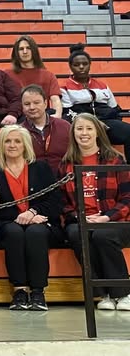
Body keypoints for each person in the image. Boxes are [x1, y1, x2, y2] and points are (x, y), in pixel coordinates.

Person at [59, 113, 130, 311]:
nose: (84, 133)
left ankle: (122, 293)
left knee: (102, 235)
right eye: (79, 128)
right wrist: (78, 217)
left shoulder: (115, 160)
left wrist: (107, 216)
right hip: (82, 220)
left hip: (115, 219)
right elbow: (63, 202)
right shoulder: (66, 164)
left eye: (89, 128)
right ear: (73, 133)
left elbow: (127, 198)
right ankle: (102, 294)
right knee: (76, 234)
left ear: (97, 132)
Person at [0, 125, 64, 312]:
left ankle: (38, 292)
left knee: (35, 232)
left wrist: (34, 213)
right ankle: (19, 291)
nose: (12, 145)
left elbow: (55, 201)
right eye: (8, 141)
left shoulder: (41, 168)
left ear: (25, 145)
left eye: (17, 141)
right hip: (9, 223)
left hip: (42, 221)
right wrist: (19, 217)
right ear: (1, 144)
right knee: (14, 233)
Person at [61, 44, 130, 155]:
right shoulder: (64, 87)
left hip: (106, 124)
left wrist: (113, 123)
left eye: (85, 64)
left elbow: (114, 109)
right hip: (81, 124)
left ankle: (126, 170)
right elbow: (67, 113)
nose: (81, 67)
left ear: (90, 65)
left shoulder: (102, 85)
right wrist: (95, 123)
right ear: (70, 67)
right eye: (77, 65)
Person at [6, 35, 63, 116]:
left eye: (28, 48)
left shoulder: (48, 75)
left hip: (42, 117)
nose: (25, 51)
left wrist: (57, 115)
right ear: (16, 52)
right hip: (17, 118)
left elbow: (55, 99)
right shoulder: (7, 75)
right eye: (21, 49)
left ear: (34, 50)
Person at [20, 85, 70, 173]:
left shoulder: (64, 126)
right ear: (22, 107)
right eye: (27, 104)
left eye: (36, 103)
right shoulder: (18, 132)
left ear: (45, 103)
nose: (32, 107)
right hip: (32, 181)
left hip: (64, 179)